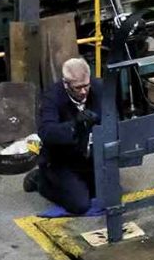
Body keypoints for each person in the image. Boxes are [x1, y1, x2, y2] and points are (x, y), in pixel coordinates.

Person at [24, 57, 101, 214]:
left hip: (89, 155)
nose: (84, 91)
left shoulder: (99, 88)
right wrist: (74, 125)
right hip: (60, 159)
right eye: (78, 88)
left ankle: (83, 182)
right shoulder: (52, 97)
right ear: (66, 84)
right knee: (80, 205)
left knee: (109, 193)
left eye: (86, 86)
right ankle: (41, 180)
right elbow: (46, 132)